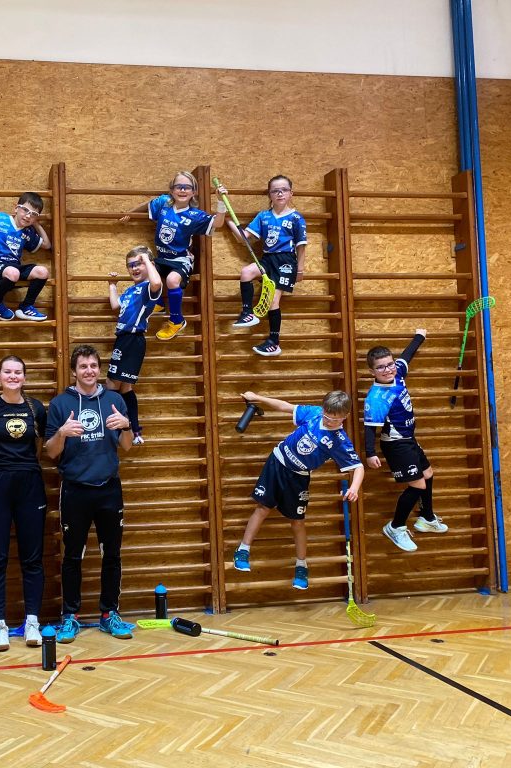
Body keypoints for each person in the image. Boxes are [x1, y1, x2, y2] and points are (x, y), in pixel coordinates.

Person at [44, 344, 135, 643]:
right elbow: (50, 453)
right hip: (75, 490)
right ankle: (70, 616)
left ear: (99, 369)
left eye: (93, 365)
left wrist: (127, 426)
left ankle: (109, 614)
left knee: (112, 554)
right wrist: (61, 433)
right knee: (73, 555)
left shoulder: (114, 400)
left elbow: (127, 446)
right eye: (83, 366)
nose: (89, 371)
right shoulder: (60, 404)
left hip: (109, 489)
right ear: (74, 371)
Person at [232, 390, 364, 590]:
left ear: (345, 416)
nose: (328, 421)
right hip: (278, 462)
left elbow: (358, 467)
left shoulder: (339, 441)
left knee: (298, 521)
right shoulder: (314, 413)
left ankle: (301, 566)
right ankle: (243, 550)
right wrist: (258, 398)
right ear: (323, 409)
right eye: (327, 416)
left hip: (298, 477)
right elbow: (285, 406)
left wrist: (354, 487)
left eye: (334, 419)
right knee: (263, 508)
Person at [0, 355, 48, 652]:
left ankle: (32, 622)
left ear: (25, 377)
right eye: (8, 371)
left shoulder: (36, 408)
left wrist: (20, 468)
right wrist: (1, 470)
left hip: (29, 484)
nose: (13, 376)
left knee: (33, 558)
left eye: (18, 372)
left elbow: (39, 447)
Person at [364, 330, 448, 552]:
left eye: (389, 364)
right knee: (418, 484)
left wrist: (420, 337)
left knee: (428, 474)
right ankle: (396, 526)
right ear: (372, 371)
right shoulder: (377, 397)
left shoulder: (398, 372)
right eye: (380, 367)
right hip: (396, 444)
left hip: (409, 439)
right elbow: (370, 428)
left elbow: (406, 356)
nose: (387, 370)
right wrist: (370, 453)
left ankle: (426, 518)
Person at [119, 171, 226, 341]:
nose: (182, 190)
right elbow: (148, 204)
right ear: (171, 190)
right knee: (144, 269)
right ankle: (159, 303)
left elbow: (218, 223)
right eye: (178, 187)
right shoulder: (163, 203)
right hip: (162, 257)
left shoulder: (195, 215)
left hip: (181, 260)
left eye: (187, 187)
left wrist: (221, 201)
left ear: (194, 192)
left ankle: (176, 321)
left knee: (171, 280)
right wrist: (130, 213)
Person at [226, 174, 307, 357]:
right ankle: (247, 312)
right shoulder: (263, 216)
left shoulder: (296, 218)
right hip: (267, 259)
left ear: (291, 193)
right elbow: (244, 239)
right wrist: (228, 221)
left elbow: (301, 246)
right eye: (275, 191)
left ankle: (274, 342)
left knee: (272, 301)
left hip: (285, 262)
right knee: (246, 272)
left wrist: (300, 270)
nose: (280, 193)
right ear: (269, 194)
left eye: (284, 190)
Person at [105, 245, 163, 445]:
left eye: (139, 264)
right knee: (125, 387)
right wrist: (112, 285)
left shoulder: (148, 288)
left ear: (149, 264)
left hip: (132, 339)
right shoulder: (131, 290)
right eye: (131, 265)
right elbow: (116, 305)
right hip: (123, 339)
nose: (135, 268)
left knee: (111, 384)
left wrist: (146, 259)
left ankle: (116, 430)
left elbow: (157, 282)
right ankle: (135, 430)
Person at [0, 193, 52, 321]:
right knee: (13, 273)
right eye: (25, 210)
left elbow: (47, 245)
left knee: (43, 272)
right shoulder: (0, 219)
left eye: (33, 214)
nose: (28, 216)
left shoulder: (28, 231)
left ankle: (26, 306)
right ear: (16, 208)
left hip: (15, 267)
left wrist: (36, 224)